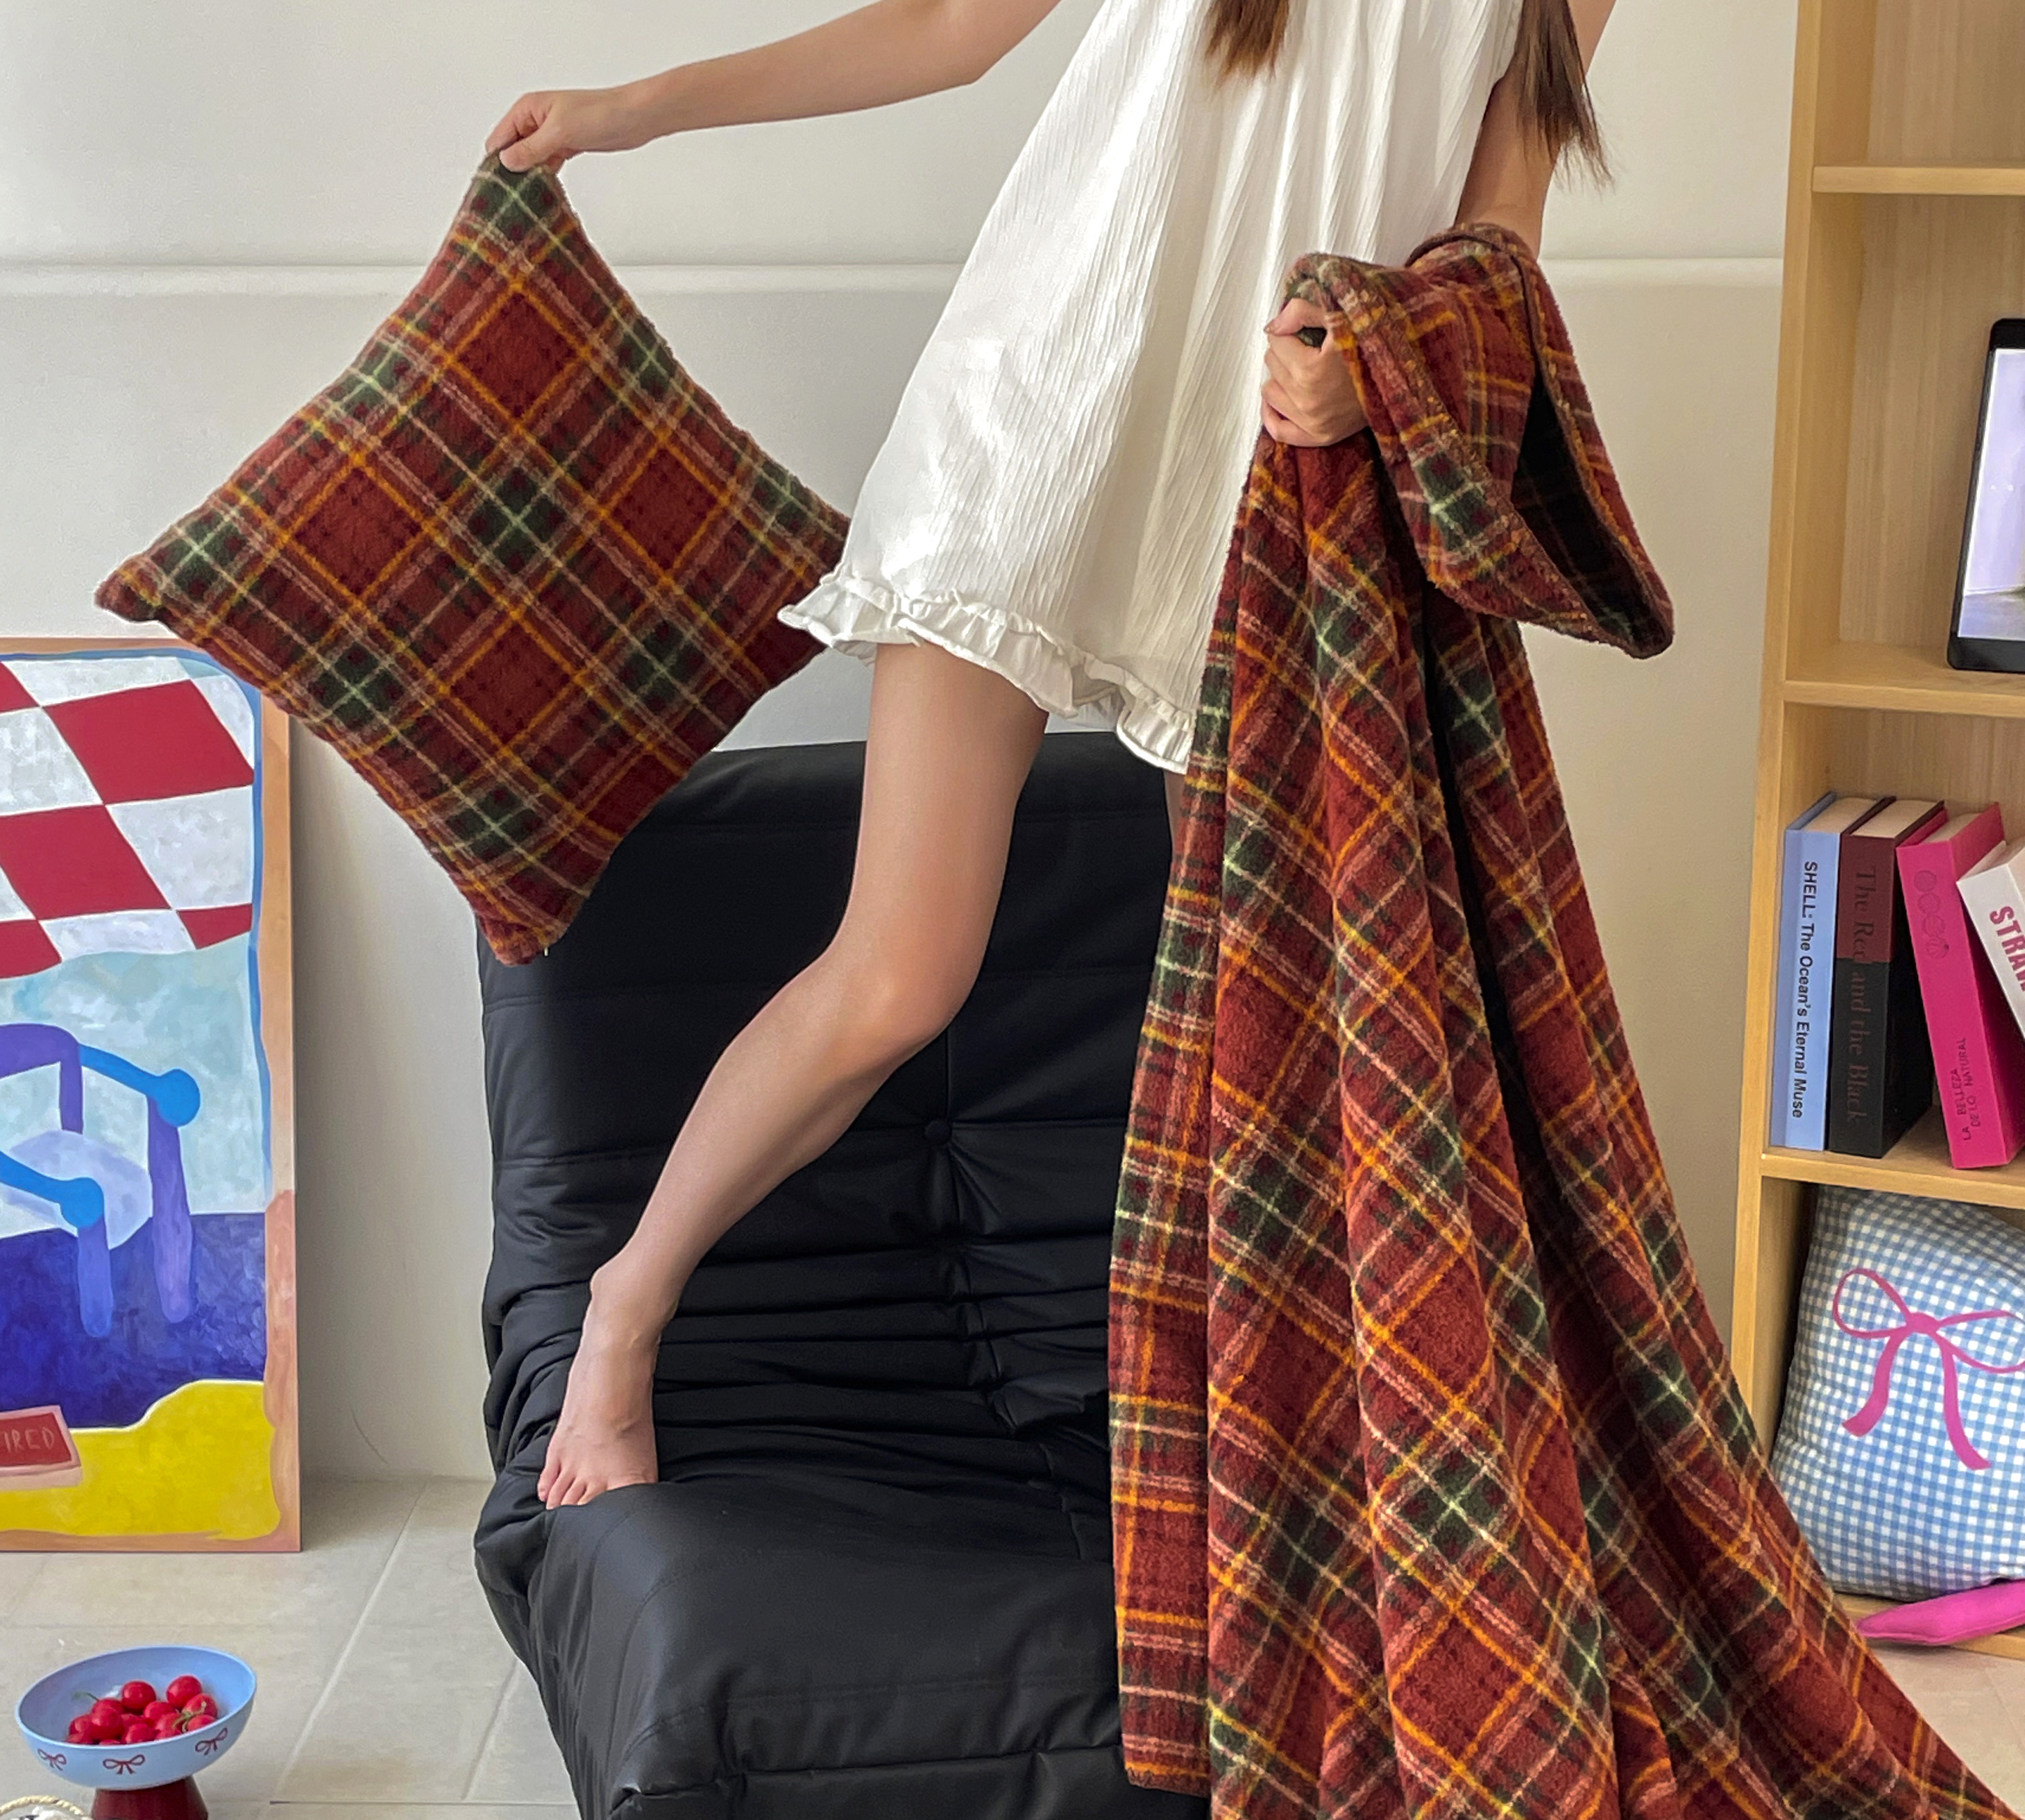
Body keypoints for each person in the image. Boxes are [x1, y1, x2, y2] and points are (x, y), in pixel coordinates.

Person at [486, 0, 1619, 1510]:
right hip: (1034, 424)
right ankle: (624, 1310)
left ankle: (1269, 1462)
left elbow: (1499, 239)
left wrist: (1382, 366)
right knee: (898, 975)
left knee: (1268, 1022)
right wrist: (637, 109)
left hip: (1274, 493)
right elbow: (951, 27)